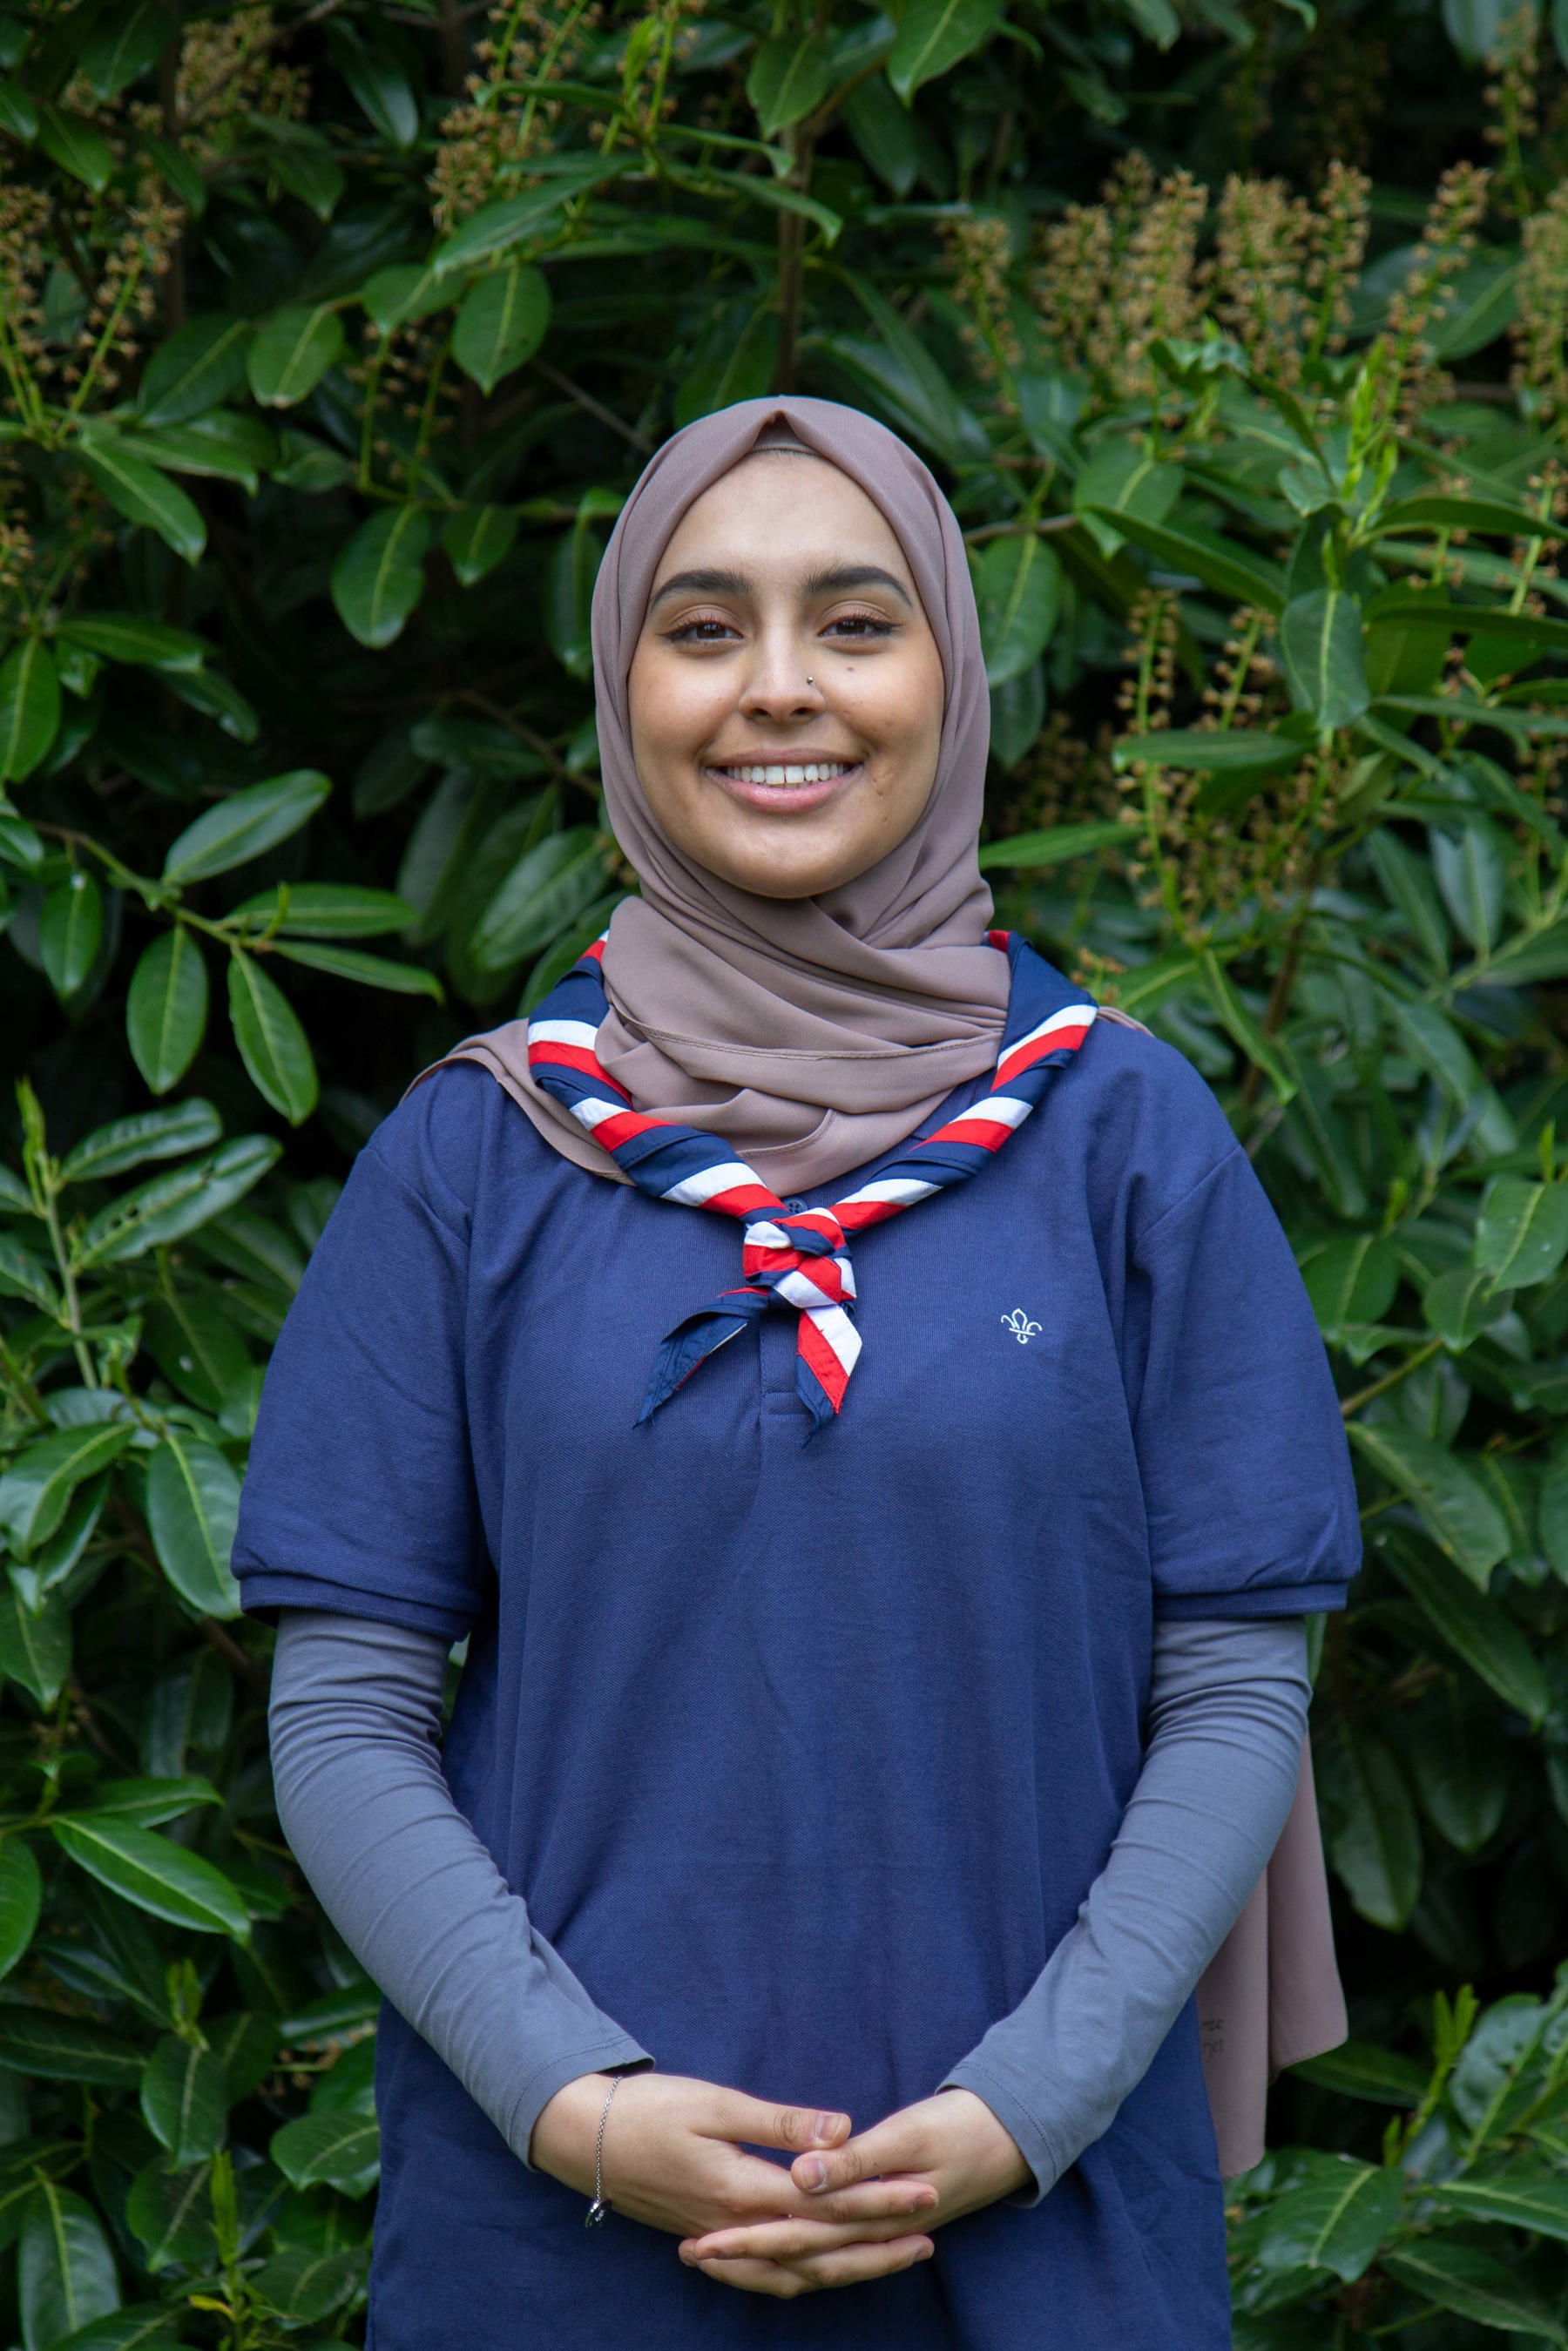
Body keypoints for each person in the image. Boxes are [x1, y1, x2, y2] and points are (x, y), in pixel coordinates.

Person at [235, 394, 1361, 2349]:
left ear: (951, 663)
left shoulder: (1124, 1137)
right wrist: (572, 2104)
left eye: (853, 621)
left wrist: (1025, 2113)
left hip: (1043, 2247)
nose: (779, 690)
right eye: (702, 627)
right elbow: (343, 1708)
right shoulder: (477, 1152)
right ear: (622, 684)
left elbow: (1237, 1679)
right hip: (559, 2259)